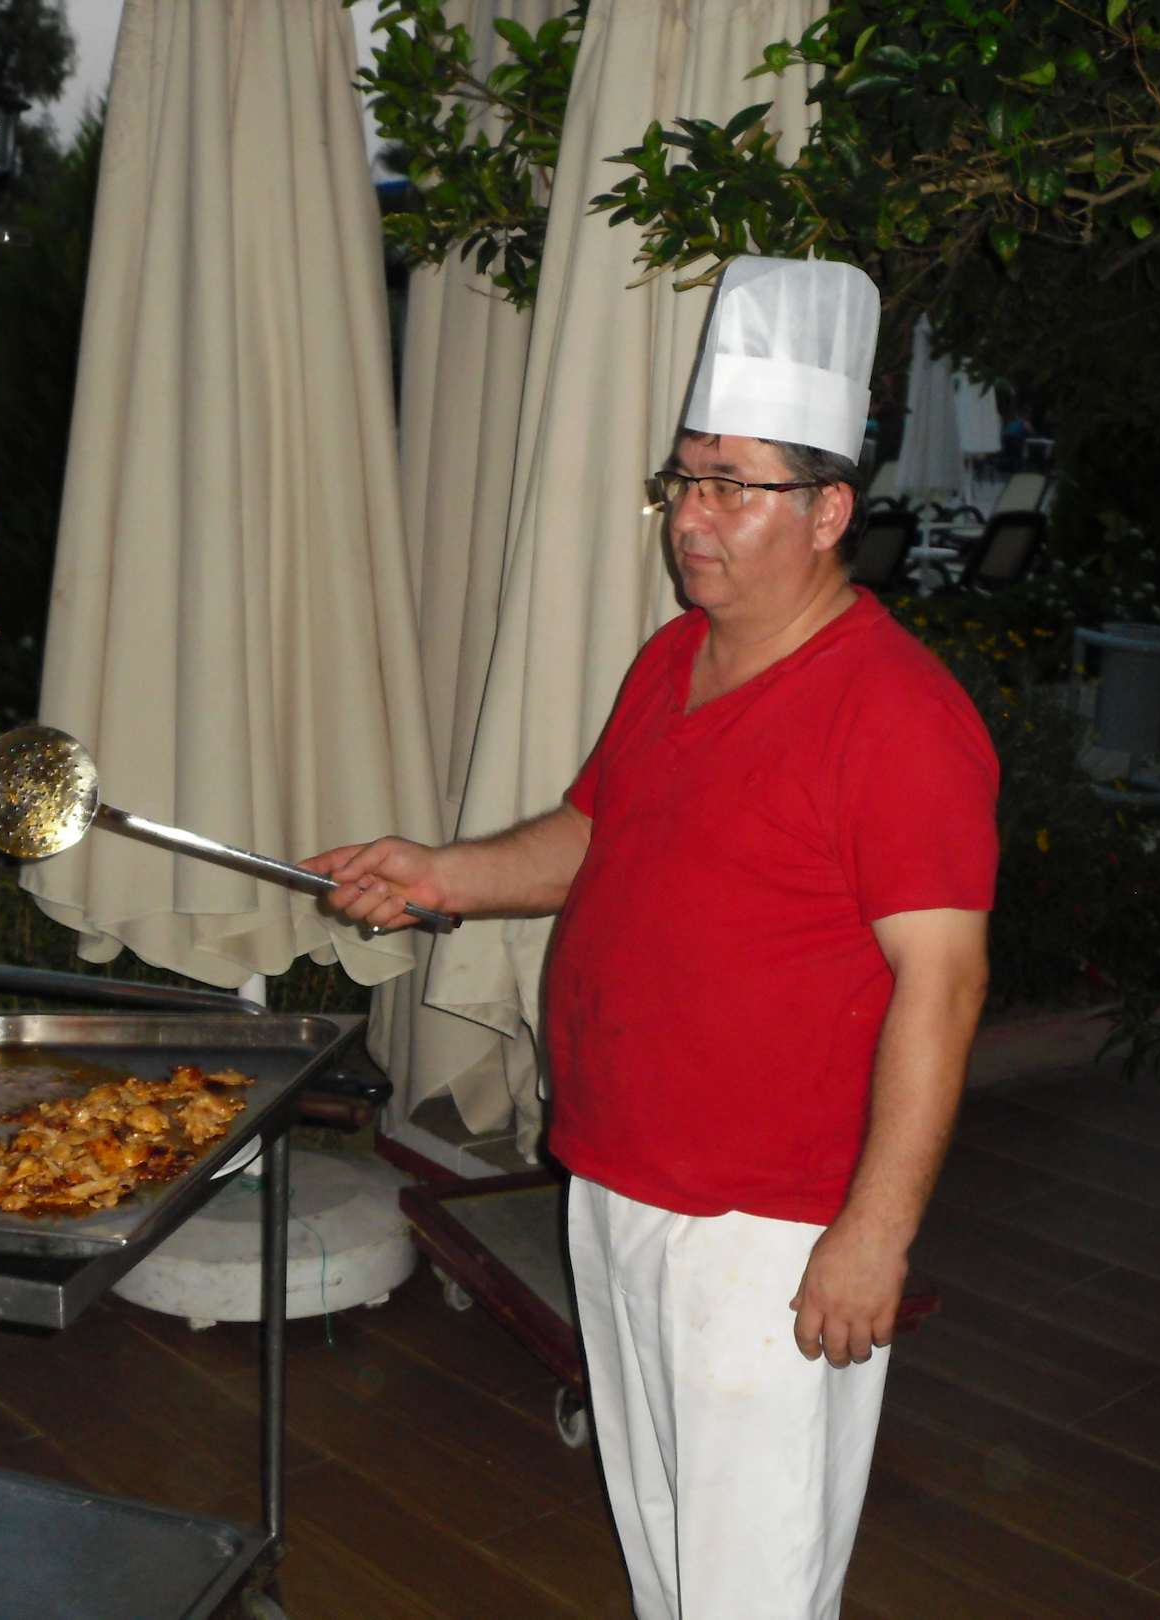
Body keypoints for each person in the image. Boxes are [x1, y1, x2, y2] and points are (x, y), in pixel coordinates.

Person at [303, 256, 997, 1620]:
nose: (691, 515)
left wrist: (874, 1233)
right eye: (684, 478)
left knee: (752, 1578)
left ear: (829, 510)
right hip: (616, 1175)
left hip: (766, 1225)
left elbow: (948, 982)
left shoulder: (897, 717)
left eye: (733, 485)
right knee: (664, 1538)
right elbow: (593, 836)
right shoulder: (672, 660)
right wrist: (440, 874)